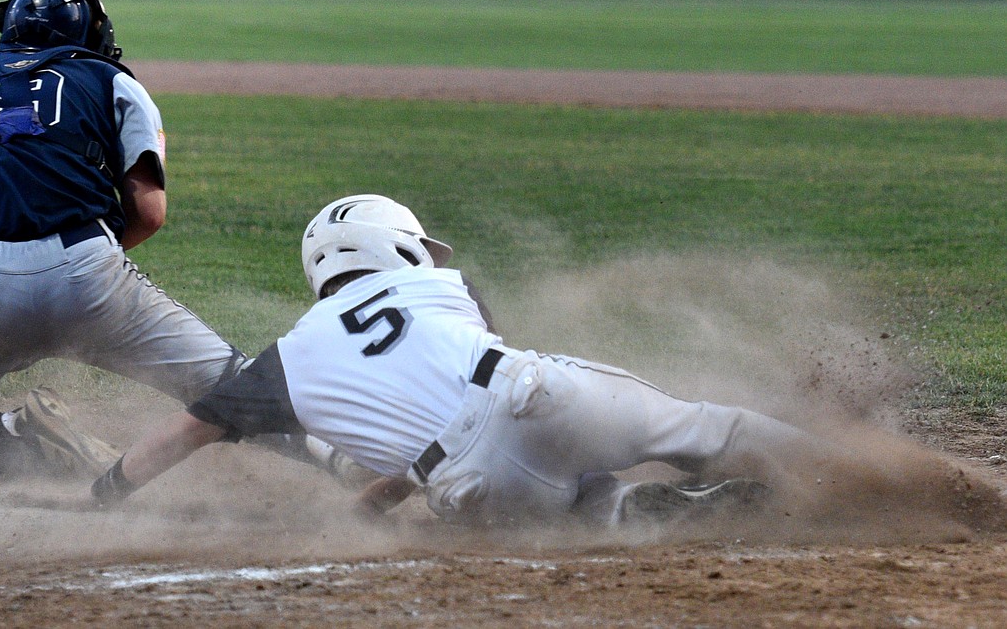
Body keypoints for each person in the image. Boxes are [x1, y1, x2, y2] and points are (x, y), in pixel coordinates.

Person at [91, 194, 817, 530]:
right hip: (529, 397)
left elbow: (180, 434)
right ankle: (841, 472)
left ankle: (648, 513)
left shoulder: (287, 361)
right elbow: (475, 387)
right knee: (704, 432)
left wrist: (107, 491)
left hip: (465, 485)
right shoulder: (440, 283)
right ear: (394, 247)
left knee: (587, 511)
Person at [0, 0, 247, 482]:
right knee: (241, 389)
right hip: (92, 278)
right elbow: (149, 213)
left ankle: (15, 433)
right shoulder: (114, 80)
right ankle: (345, 459)